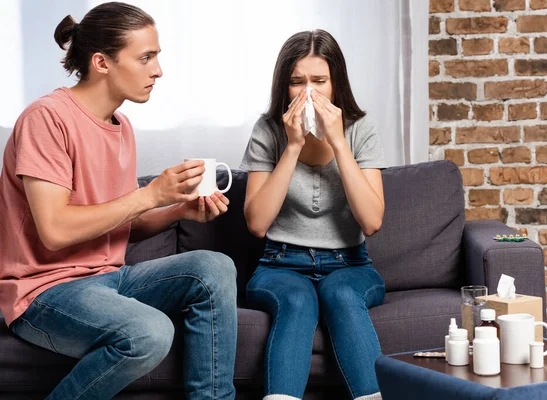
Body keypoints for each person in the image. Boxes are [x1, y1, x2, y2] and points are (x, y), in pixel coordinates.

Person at [0, 2, 237, 399]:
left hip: (109, 280)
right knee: (149, 332)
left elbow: (118, 220)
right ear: (101, 62)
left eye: (157, 57)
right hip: (44, 293)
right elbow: (56, 231)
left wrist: (177, 209)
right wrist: (149, 194)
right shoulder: (46, 118)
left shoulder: (121, 126)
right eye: (146, 58)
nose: (158, 70)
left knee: (212, 267)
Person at [240, 29, 387, 400]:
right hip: (280, 264)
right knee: (297, 300)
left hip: (350, 264)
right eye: (296, 82)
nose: (308, 92)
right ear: (283, 87)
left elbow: (371, 221)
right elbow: (257, 223)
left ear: (336, 83)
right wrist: (292, 147)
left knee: (339, 293)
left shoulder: (361, 130)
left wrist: (338, 141)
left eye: (319, 81)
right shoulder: (268, 130)